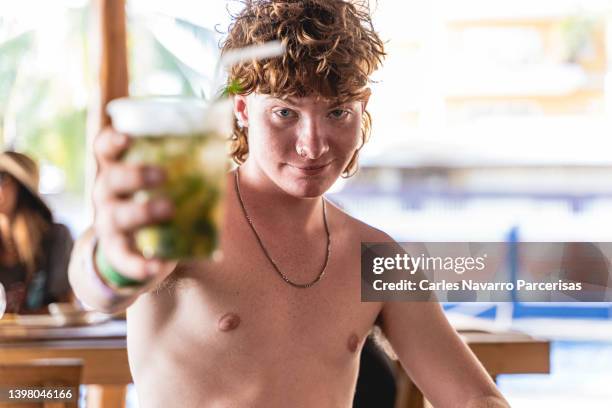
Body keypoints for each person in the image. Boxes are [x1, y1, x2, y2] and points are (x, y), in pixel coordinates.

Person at [69, 1, 510, 406]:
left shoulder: (375, 258)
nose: (313, 146)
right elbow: (100, 288)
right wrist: (112, 261)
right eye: (285, 112)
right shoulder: (186, 217)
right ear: (242, 109)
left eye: (338, 113)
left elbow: (475, 400)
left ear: (363, 108)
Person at [0, 151, 74, 314]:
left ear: (23, 188)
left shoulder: (57, 237)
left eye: (2, 177)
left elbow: (64, 307)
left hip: (45, 338)